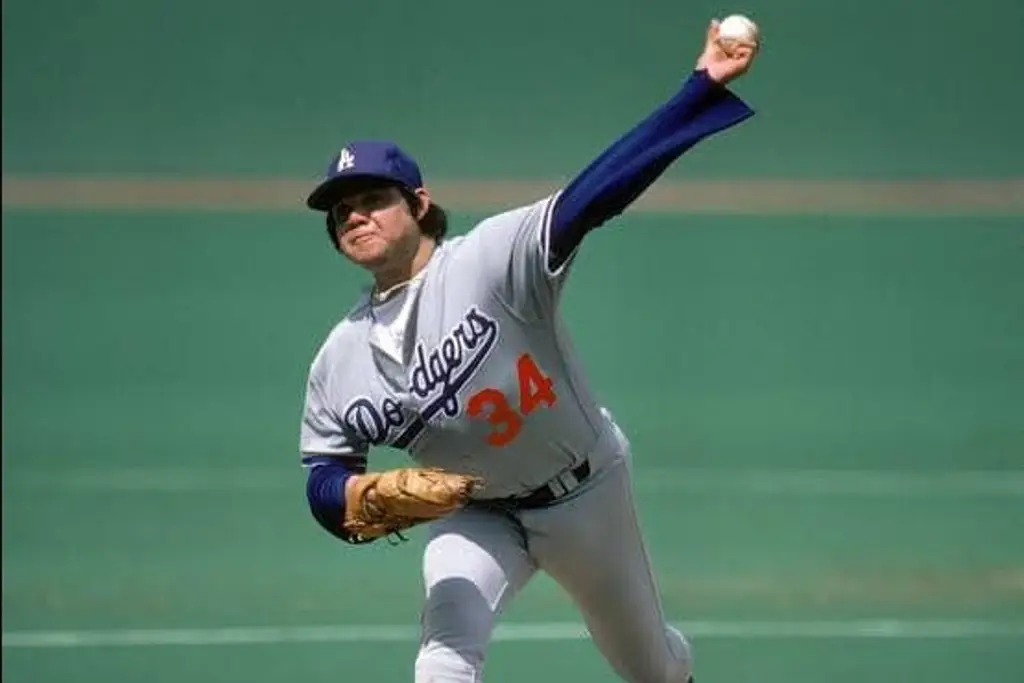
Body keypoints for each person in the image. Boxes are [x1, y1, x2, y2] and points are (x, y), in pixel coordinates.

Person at [299, 18, 759, 683]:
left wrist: (697, 91)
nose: (355, 216)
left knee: (651, 668)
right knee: (443, 661)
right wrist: (359, 493)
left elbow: (597, 191)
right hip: (477, 515)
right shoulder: (338, 358)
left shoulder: (490, 261)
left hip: (586, 493)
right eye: (340, 210)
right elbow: (323, 474)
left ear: (420, 203)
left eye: (373, 198)